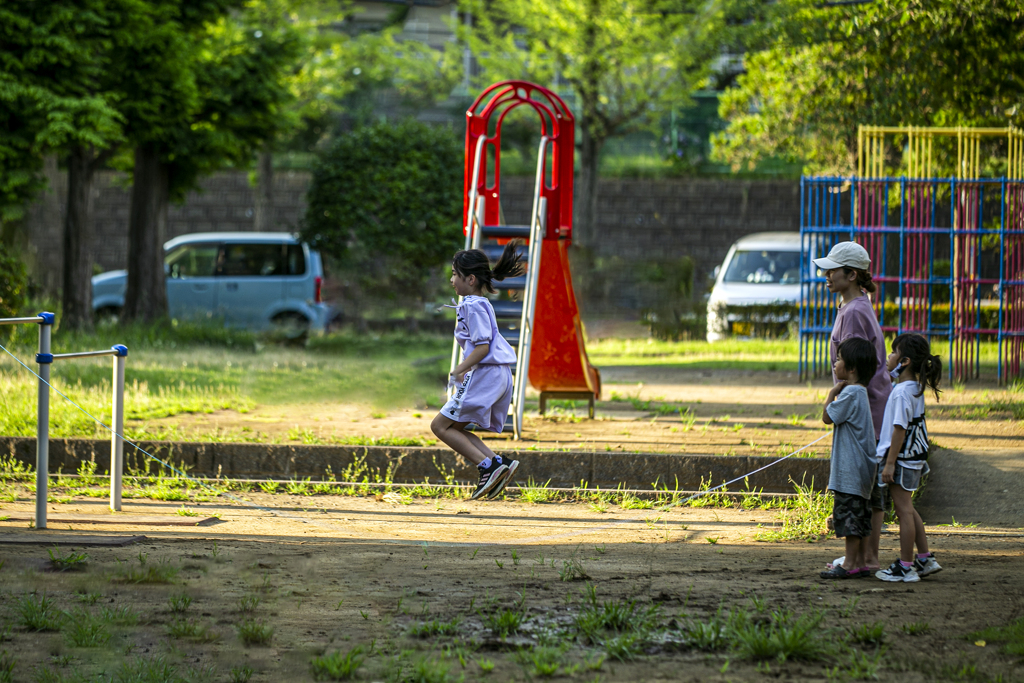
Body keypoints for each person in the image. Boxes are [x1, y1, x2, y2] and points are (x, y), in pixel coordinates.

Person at [813, 241, 891, 572]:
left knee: (865, 489)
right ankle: (863, 557)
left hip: (865, 411)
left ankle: (865, 557)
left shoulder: (855, 312)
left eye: (832, 270)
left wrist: (840, 396)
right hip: (869, 408)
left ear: (852, 274)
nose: (826, 275)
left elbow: (859, 367)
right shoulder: (854, 306)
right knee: (868, 487)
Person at [431, 241, 524, 501]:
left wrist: (459, 369)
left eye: (454, 274)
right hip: (496, 373)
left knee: (439, 426)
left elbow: (482, 347)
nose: (451, 280)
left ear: (470, 279)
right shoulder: (479, 303)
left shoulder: (471, 304)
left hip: (487, 373)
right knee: (454, 427)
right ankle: (496, 463)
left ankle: (488, 467)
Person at [875, 333, 943, 583]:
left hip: (901, 459)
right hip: (912, 458)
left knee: (903, 511)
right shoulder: (913, 388)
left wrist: (889, 463)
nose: (889, 356)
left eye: (893, 353)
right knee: (909, 509)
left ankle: (905, 566)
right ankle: (924, 558)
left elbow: (899, 429)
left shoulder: (902, 392)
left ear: (903, 361)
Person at [819, 337, 879, 580]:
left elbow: (826, 416)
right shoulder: (861, 392)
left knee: (850, 519)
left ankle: (850, 562)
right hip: (863, 471)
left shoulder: (850, 393)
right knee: (862, 518)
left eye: (840, 358)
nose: (835, 362)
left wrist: (832, 392)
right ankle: (862, 561)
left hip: (850, 473)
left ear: (851, 368)